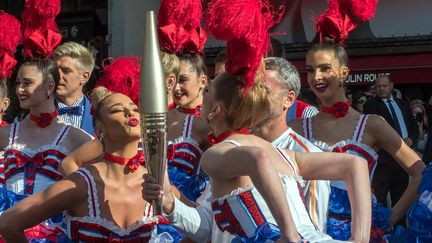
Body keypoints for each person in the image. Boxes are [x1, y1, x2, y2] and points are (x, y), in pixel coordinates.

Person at [143, 70, 372, 243]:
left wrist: (290, 236)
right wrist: (170, 203)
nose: (202, 98)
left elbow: (257, 159)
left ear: (216, 110)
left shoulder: (218, 154)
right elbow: (356, 164)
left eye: (207, 92)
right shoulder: (283, 153)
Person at [0, 88, 179, 242]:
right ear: (100, 129)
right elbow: (7, 223)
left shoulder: (157, 184)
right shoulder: (81, 184)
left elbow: (204, 226)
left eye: (135, 109)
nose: (131, 113)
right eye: (118, 110)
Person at [288, 41, 425, 240]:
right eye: (310, 70)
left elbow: (420, 172)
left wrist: (389, 218)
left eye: (325, 68)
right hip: (307, 234)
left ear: (343, 73)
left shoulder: (371, 124)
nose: (316, 77)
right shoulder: (296, 128)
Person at [0, 58, 93, 241]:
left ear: (50, 86)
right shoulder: (6, 133)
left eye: (27, 83)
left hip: (52, 233)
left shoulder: (74, 136)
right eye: (18, 83)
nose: (19, 89)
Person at [253, 57, 330, 233]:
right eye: (251, 89)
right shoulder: (234, 146)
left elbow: (315, 231)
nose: (253, 97)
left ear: (288, 99)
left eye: (263, 91)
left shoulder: (309, 156)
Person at [363, 75, 420, 219]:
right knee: (380, 199)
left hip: (404, 161)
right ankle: (378, 233)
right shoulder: (371, 105)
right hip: (385, 160)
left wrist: (411, 141)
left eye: (384, 86)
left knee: (401, 199)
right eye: (378, 86)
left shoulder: (402, 104)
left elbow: (413, 125)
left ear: (391, 86)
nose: (381, 89)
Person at [54, 41, 95, 135]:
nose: (58, 76)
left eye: (66, 71)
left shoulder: (99, 115)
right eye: (55, 70)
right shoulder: (39, 111)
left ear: (84, 77)